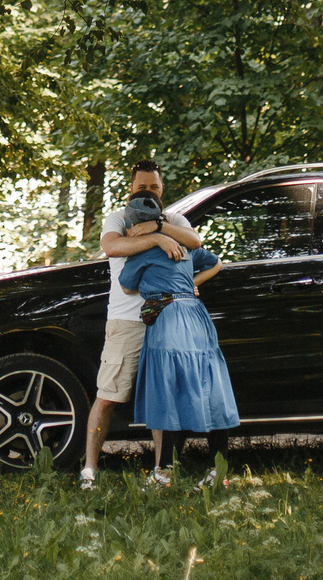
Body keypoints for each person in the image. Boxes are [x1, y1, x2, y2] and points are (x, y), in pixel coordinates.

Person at [80, 159, 200, 489]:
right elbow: (112, 246)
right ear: (130, 189)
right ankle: (89, 470)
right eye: (142, 188)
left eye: (154, 188)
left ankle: (162, 474)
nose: (149, 193)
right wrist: (157, 241)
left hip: (166, 322)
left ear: (163, 191)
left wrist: (160, 228)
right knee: (107, 396)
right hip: (126, 321)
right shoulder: (117, 219)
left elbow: (195, 241)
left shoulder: (173, 218)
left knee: (163, 398)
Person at [116, 196, 240, 484]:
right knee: (211, 386)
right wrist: (190, 285)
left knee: (168, 390)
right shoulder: (183, 244)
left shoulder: (144, 253)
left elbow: (125, 286)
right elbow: (216, 263)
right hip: (196, 316)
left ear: (136, 227)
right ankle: (217, 470)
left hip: (168, 318)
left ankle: (165, 472)